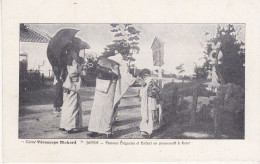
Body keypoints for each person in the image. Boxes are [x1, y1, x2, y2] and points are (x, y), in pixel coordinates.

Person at [88, 50, 135, 138]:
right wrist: (135, 80)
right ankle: (106, 131)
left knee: (97, 106)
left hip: (100, 82)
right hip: (110, 84)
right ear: (125, 54)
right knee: (107, 108)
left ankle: (93, 129)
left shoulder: (106, 59)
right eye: (127, 55)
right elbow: (125, 75)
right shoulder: (121, 61)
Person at [59, 58, 84, 133]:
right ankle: (65, 124)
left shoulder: (76, 62)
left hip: (72, 86)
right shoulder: (65, 63)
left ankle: (74, 126)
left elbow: (75, 73)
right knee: (67, 106)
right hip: (68, 86)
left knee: (73, 106)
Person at [139, 69, 161, 137]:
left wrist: (147, 90)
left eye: (144, 77)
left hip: (150, 100)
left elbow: (156, 91)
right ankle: (143, 129)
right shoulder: (146, 81)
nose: (143, 79)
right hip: (146, 100)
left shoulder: (151, 81)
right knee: (145, 115)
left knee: (150, 116)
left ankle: (149, 132)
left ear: (147, 75)